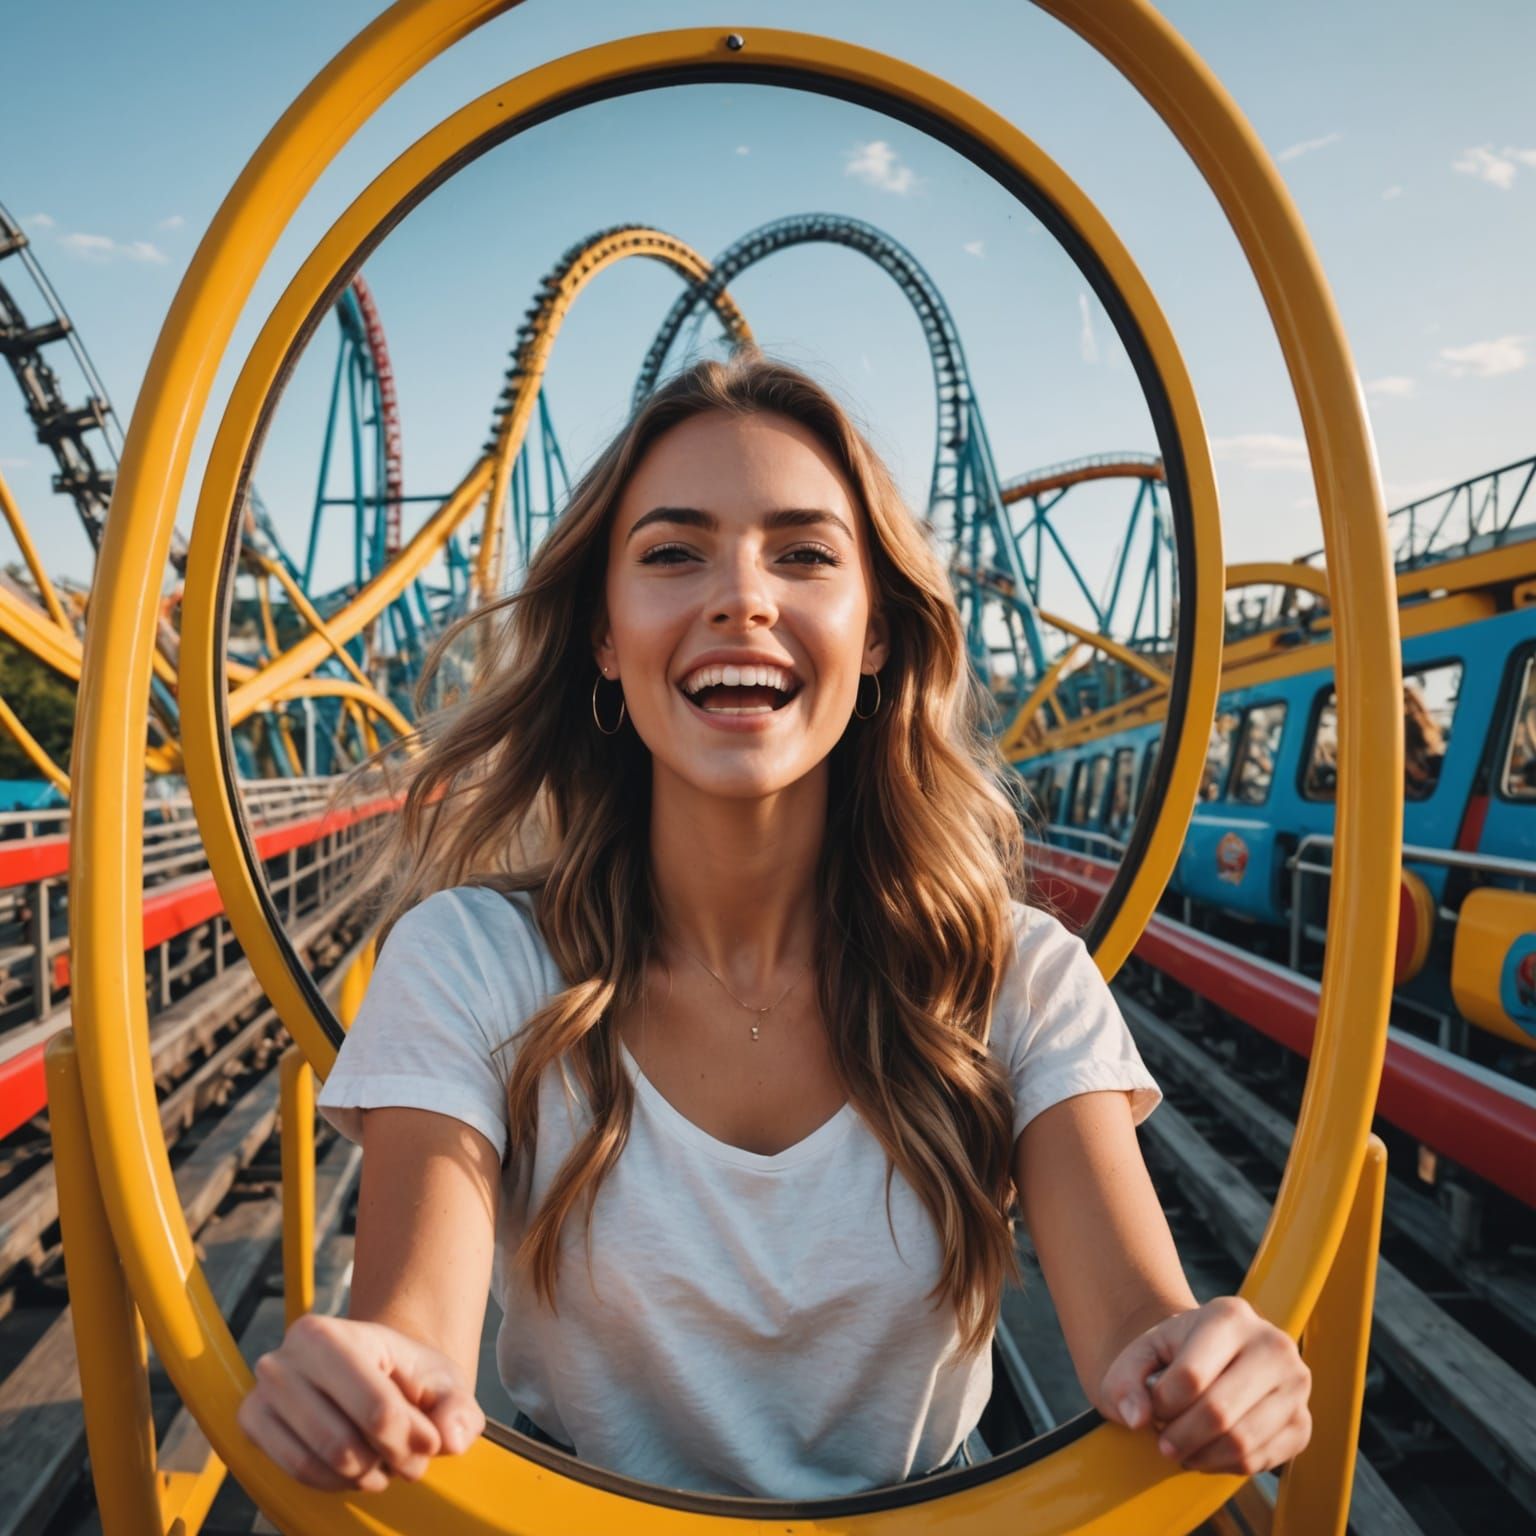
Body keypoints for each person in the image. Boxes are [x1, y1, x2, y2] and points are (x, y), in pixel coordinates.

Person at [236, 350, 1311, 1499]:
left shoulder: (1012, 978)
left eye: (803, 554)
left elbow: (1137, 1323)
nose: (741, 595)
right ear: (603, 633)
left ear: (882, 630)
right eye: (671, 554)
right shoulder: (472, 963)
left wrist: (1212, 1364)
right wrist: (377, 1374)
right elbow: (415, 1320)